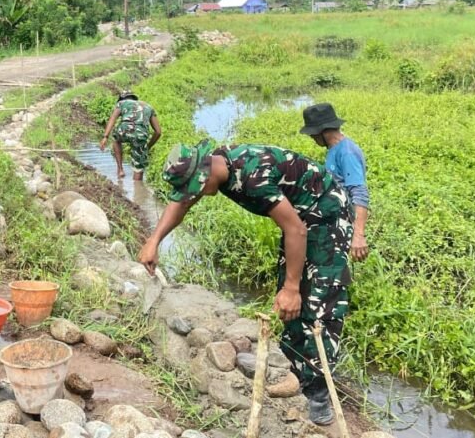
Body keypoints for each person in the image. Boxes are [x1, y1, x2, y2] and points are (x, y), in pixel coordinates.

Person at [138, 140, 352, 426]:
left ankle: (319, 394)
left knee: (317, 301)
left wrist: (291, 288)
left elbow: (296, 229)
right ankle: (296, 372)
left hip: (326, 215)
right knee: (291, 297)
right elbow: (181, 203)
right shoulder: (217, 166)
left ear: (206, 172)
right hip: (299, 219)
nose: (196, 194)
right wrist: (153, 241)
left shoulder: (254, 178)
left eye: (197, 186)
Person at [300, 103, 370, 261]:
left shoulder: (347, 152)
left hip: (344, 225)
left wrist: (358, 235)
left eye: (312, 133)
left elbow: (359, 192)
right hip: (332, 223)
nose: (311, 137)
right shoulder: (335, 149)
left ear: (322, 131)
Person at [99, 91, 161, 180]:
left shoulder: (121, 103)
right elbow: (158, 132)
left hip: (124, 130)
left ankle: (120, 170)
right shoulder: (149, 107)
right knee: (138, 168)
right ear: (134, 98)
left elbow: (112, 119)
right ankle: (137, 187)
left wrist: (105, 137)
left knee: (116, 139)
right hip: (141, 135)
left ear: (122, 98)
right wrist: (147, 147)